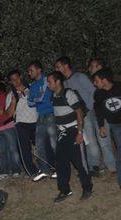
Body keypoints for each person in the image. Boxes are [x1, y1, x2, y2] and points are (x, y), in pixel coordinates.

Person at [56, 56, 115, 176]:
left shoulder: (80, 77)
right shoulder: (64, 83)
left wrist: (89, 107)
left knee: (103, 139)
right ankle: (94, 166)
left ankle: (112, 167)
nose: (56, 69)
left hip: (96, 111)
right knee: (90, 141)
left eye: (58, 66)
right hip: (83, 115)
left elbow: (94, 92)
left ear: (66, 66)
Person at [47, 72, 93, 202]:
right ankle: (65, 190)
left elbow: (79, 113)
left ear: (58, 82)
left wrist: (79, 133)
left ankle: (87, 188)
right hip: (62, 133)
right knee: (61, 163)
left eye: (50, 81)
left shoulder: (69, 94)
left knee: (80, 163)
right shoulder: (53, 96)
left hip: (74, 131)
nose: (48, 84)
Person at [8, 69, 43, 179]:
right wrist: (13, 102)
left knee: (41, 147)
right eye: (12, 79)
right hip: (21, 124)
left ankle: (46, 168)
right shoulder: (11, 95)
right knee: (25, 150)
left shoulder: (32, 88)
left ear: (21, 77)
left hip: (36, 121)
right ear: (10, 82)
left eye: (17, 78)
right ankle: (32, 172)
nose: (15, 81)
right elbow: (9, 114)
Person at [27, 61, 57, 179]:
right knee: (39, 144)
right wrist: (36, 98)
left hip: (50, 113)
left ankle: (59, 167)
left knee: (54, 142)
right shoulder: (33, 85)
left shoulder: (46, 80)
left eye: (31, 70)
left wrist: (35, 98)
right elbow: (30, 103)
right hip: (40, 115)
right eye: (29, 71)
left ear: (39, 70)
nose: (29, 73)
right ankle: (44, 169)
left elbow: (41, 98)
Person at [93, 68, 121, 189]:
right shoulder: (98, 93)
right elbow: (99, 111)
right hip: (115, 125)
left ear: (104, 80)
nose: (94, 83)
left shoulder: (119, 87)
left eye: (96, 81)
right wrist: (101, 126)